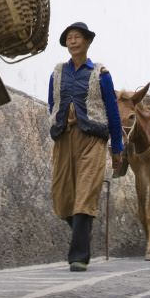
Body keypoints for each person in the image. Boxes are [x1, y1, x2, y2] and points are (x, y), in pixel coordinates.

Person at [47, 22, 124, 271]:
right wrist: (57, 123)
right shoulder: (57, 73)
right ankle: (84, 231)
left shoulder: (101, 74)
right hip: (64, 138)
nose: (72, 41)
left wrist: (117, 148)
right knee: (62, 196)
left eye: (77, 37)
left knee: (85, 193)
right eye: (69, 37)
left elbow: (112, 111)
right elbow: (53, 103)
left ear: (87, 42)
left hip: (92, 139)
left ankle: (78, 256)